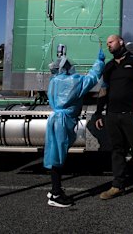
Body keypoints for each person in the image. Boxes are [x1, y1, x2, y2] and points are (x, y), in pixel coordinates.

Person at [95, 34, 133, 205]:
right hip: (113, 116)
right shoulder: (109, 67)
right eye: (107, 44)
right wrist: (99, 113)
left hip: (132, 114)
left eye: (111, 42)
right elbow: (104, 90)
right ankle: (117, 186)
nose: (109, 46)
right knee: (117, 151)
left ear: (121, 42)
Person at [44, 48, 105, 208]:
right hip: (63, 122)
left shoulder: (54, 80)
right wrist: (99, 62)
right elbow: (91, 79)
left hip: (55, 120)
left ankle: (54, 190)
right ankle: (55, 195)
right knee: (58, 158)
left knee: (54, 155)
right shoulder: (73, 81)